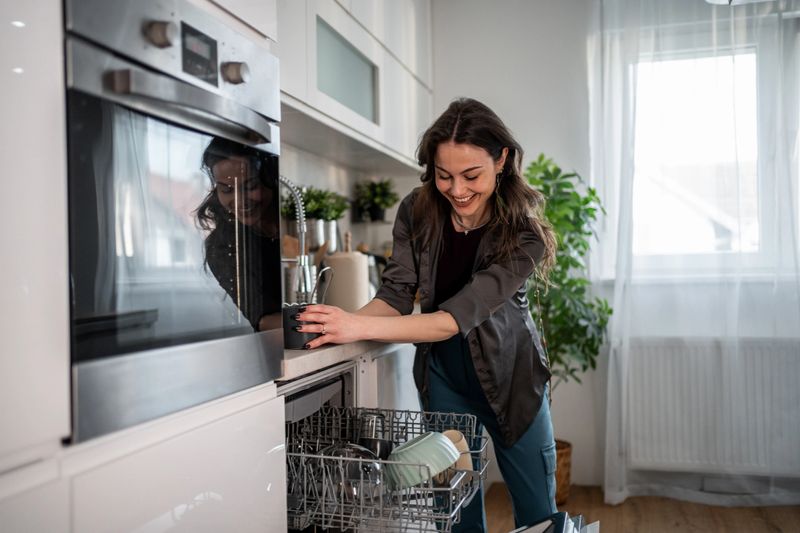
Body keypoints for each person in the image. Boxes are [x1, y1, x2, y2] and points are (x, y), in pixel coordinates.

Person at [295, 98, 559, 531]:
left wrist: (356, 324)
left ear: (502, 160)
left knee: (539, 517)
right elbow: (396, 294)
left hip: (514, 385)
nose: (457, 190)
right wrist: (339, 324)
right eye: (444, 175)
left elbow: (452, 319)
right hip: (445, 381)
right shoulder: (417, 210)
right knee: (454, 515)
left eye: (471, 175)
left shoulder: (523, 235)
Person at [196, 137, 282, 332]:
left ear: (270, 178)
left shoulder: (292, 220)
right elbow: (263, 319)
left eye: (251, 186)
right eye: (227, 189)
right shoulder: (222, 244)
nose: (239, 201)